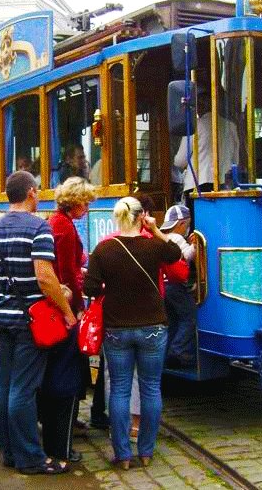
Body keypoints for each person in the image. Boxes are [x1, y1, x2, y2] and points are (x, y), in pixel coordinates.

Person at [0, 170, 77, 475]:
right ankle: (31, 458)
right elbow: (45, 277)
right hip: (29, 321)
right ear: (32, 192)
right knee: (23, 389)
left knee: (4, 384)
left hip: (2, 316)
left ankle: (9, 451)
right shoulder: (39, 228)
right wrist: (66, 311)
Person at [84, 196, 181, 470]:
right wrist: (155, 230)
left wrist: (111, 288)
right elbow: (174, 255)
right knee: (151, 388)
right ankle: (147, 451)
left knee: (120, 390)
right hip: (153, 327)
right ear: (141, 217)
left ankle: (123, 454)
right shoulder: (152, 246)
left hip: (117, 329)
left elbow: (90, 288)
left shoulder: (104, 249)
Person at [42, 176, 99, 464]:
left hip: (62, 304)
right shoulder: (62, 227)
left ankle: (65, 426)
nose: (88, 209)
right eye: (86, 203)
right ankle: (62, 438)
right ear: (75, 202)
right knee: (67, 373)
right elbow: (65, 273)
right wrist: (76, 307)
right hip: (66, 310)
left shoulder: (59, 222)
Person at [173, 91, 239, 196]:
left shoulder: (194, 126)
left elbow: (180, 161)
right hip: (224, 185)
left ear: (198, 107)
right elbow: (235, 160)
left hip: (198, 184)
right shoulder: (231, 126)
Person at [160, 204, 197, 369]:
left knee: (173, 321)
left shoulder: (164, 236)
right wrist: (195, 246)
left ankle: (167, 352)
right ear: (181, 224)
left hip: (165, 285)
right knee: (189, 317)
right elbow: (186, 256)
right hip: (176, 286)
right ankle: (177, 352)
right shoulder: (177, 238)